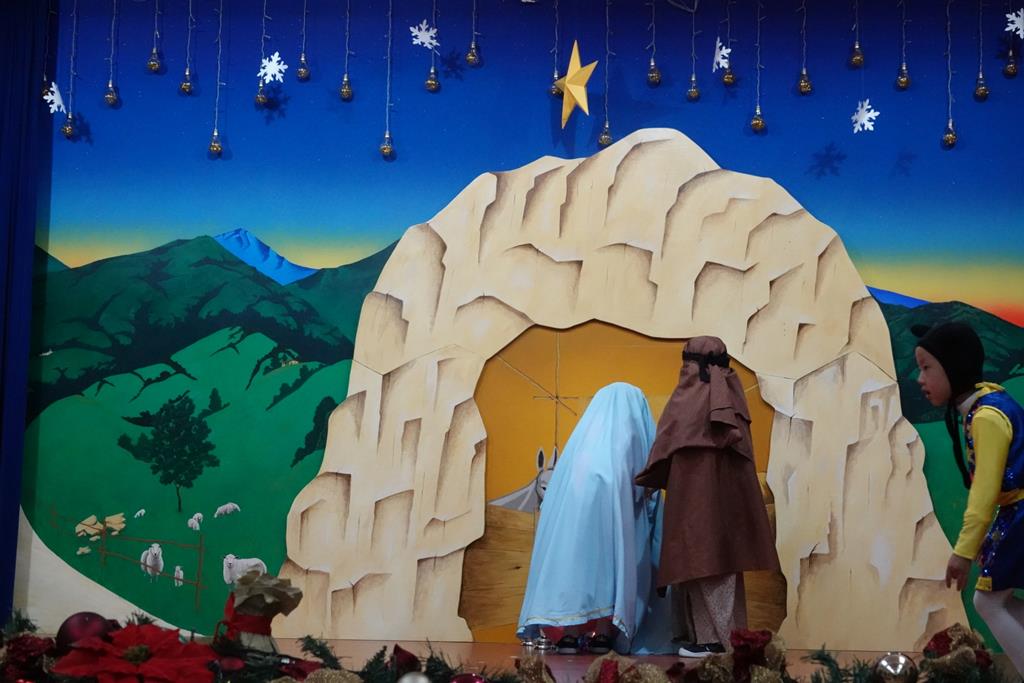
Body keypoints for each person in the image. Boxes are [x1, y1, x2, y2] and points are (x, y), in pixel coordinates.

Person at [634, 336, 779, 659]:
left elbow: (668, 442)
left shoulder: (690, 399)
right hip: (717, 507)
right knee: (710, 566)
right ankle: (715, 637)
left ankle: (715, 640)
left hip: (699, 505)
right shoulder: (730, 399)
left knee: (706, 566)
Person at [516, 382, 661, 655]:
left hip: (574, 530)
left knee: (574, 568)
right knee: (610, 569)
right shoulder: (626, 445)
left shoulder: (579, 448)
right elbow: (646, 481)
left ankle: (570, 635)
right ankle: (603, 634)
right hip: (611, 527)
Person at [914, 321, 1024, 674]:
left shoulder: (987, 417)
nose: (920, 379)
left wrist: (963, 551)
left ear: (954, 367)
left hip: (1020, 512)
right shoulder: (986, 404)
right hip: (1015, 512)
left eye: (927, 367)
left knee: (988, 602)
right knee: (994, 600)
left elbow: (984, 494)